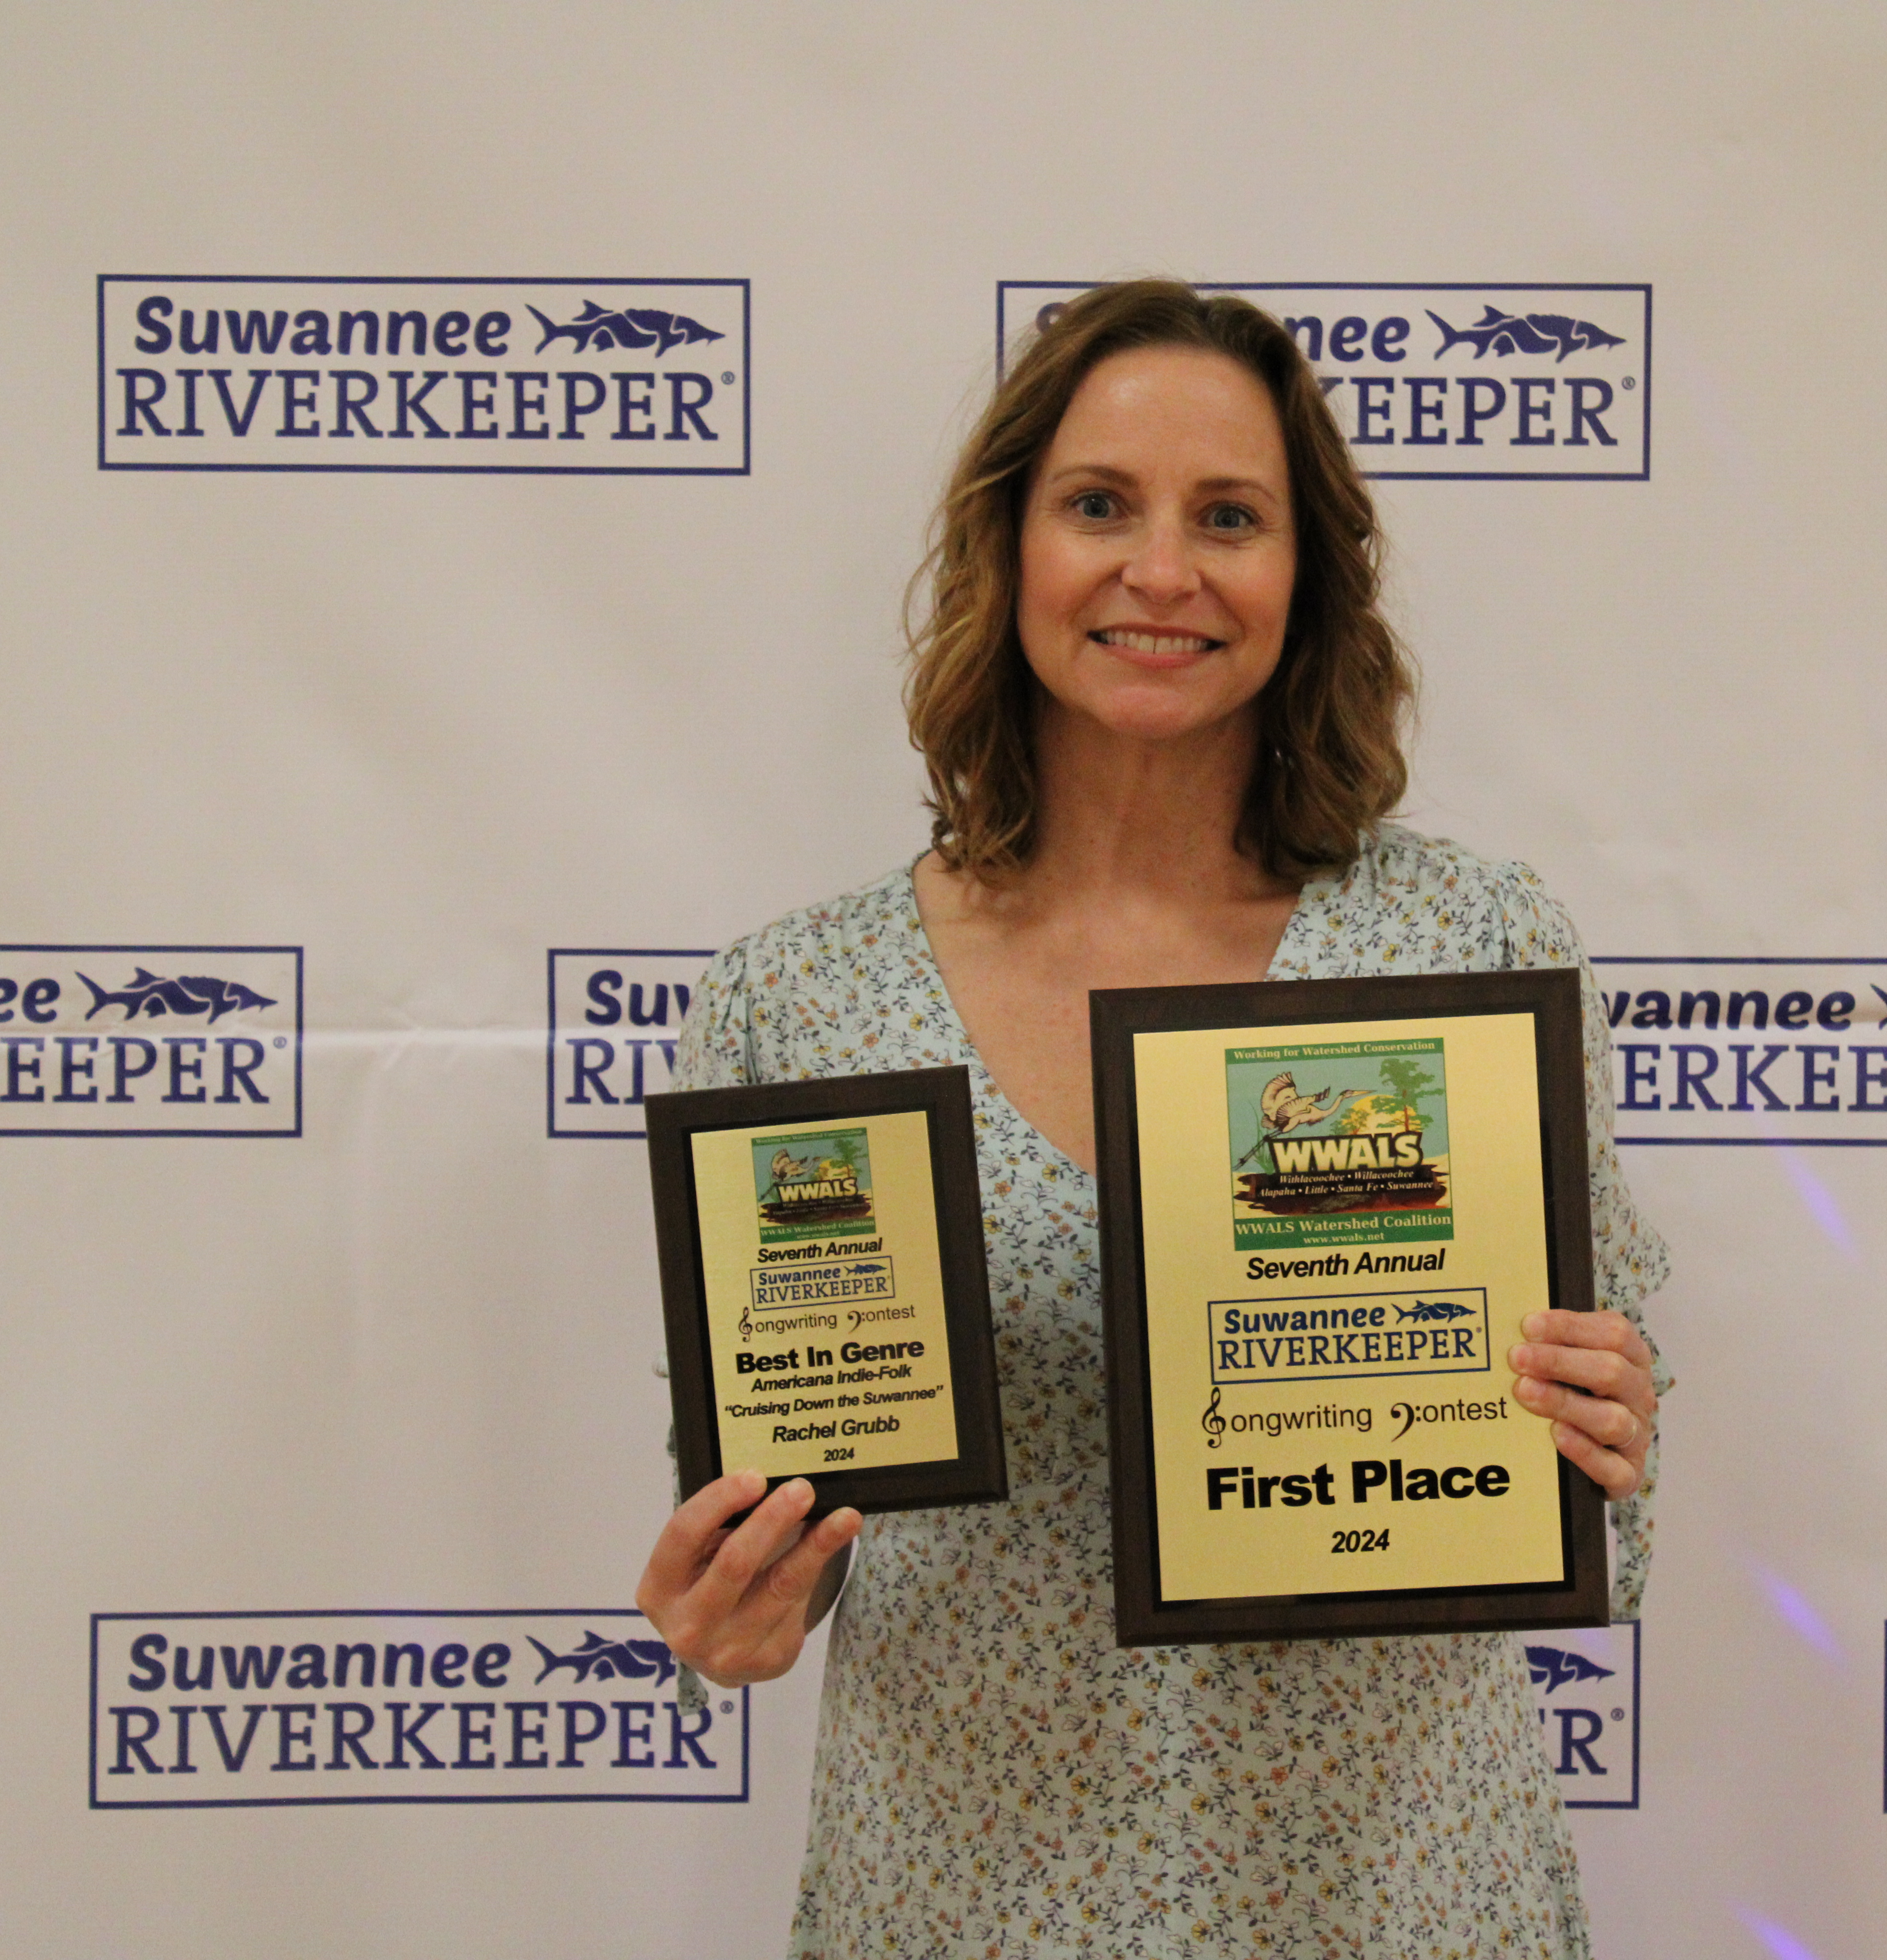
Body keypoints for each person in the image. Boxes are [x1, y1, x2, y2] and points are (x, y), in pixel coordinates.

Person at [637, 279, 1670, 1959]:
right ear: (1009, 548)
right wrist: (739, 1595)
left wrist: (1605, 1424)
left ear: (1305, 577)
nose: (1163, 570)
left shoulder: (1468, 950)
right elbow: (788, 1492)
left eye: (1231, 517)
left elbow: (1598, 1464)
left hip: (1390, 1897)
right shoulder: (799, 999)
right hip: (967, 1901)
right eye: (1100, 504)